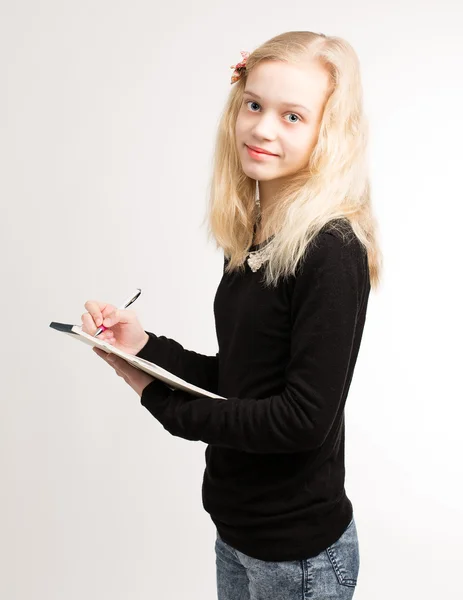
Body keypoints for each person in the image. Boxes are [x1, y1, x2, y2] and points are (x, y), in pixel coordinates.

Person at [83, 30, 383, 600]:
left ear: (329, 132)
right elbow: (247, 379)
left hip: (298, 561)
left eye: (292, 116)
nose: (263, 128)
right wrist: (144, 349)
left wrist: (164, 403)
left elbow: (301, 420)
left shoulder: (331, 248)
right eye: (254, 104)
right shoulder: (252, 234)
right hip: (238, 534)